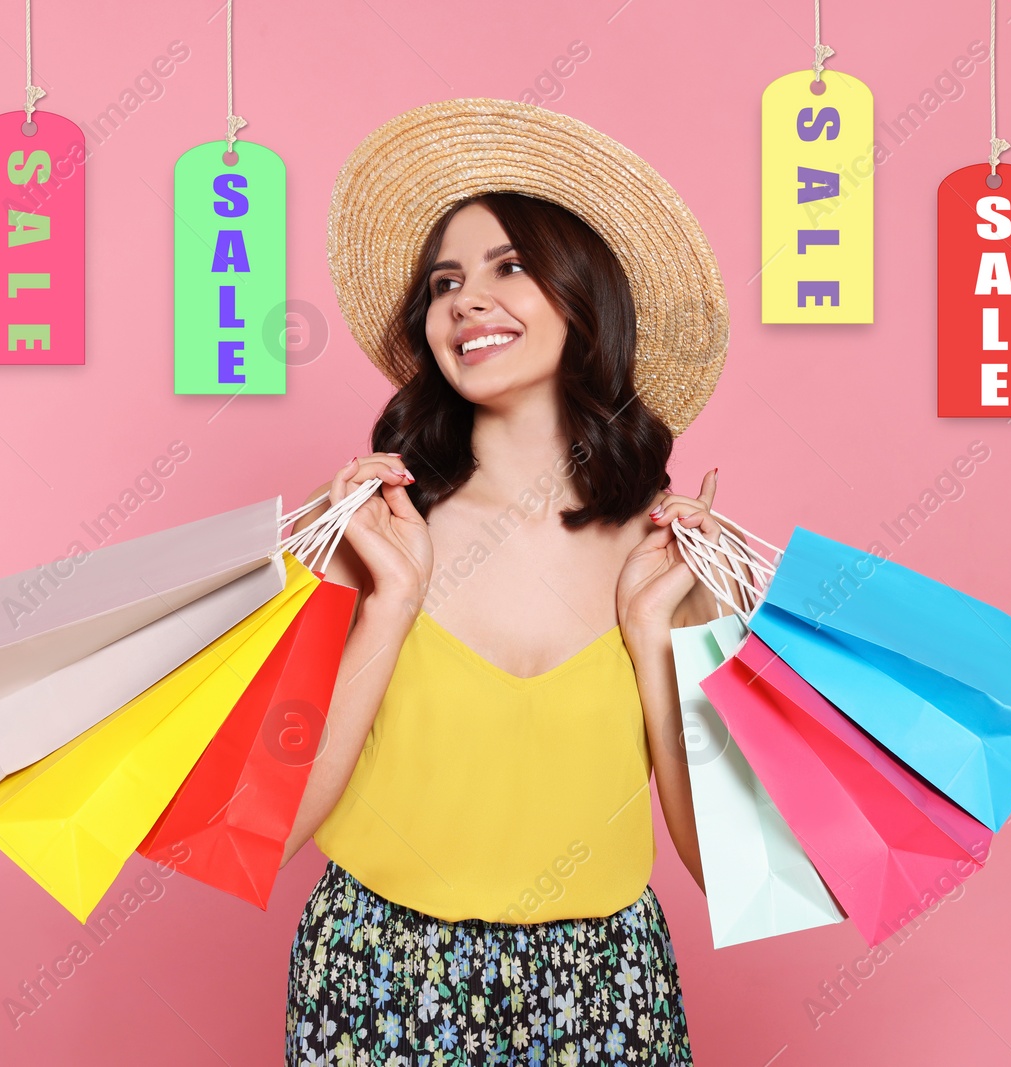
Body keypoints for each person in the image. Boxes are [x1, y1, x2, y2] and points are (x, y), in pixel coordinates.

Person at [280, 97, 734, 1067]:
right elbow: (269, 828)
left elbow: (723, 866)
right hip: (377, 974)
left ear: (586, 297)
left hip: (605, 984)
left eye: (509, 267)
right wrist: (389, 606)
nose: (465, 300)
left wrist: (657, 639)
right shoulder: (373, 533)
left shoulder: (668, 556)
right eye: (445, 280)